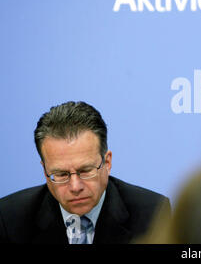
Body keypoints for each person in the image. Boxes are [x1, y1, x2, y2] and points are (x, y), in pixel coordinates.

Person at [0, 101, 170, 244]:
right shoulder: (10, 218)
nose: (75, 186)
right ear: (45, 171)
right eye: (61, 174)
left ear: (107, 162)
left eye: (85, 170)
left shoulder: (152, 213)